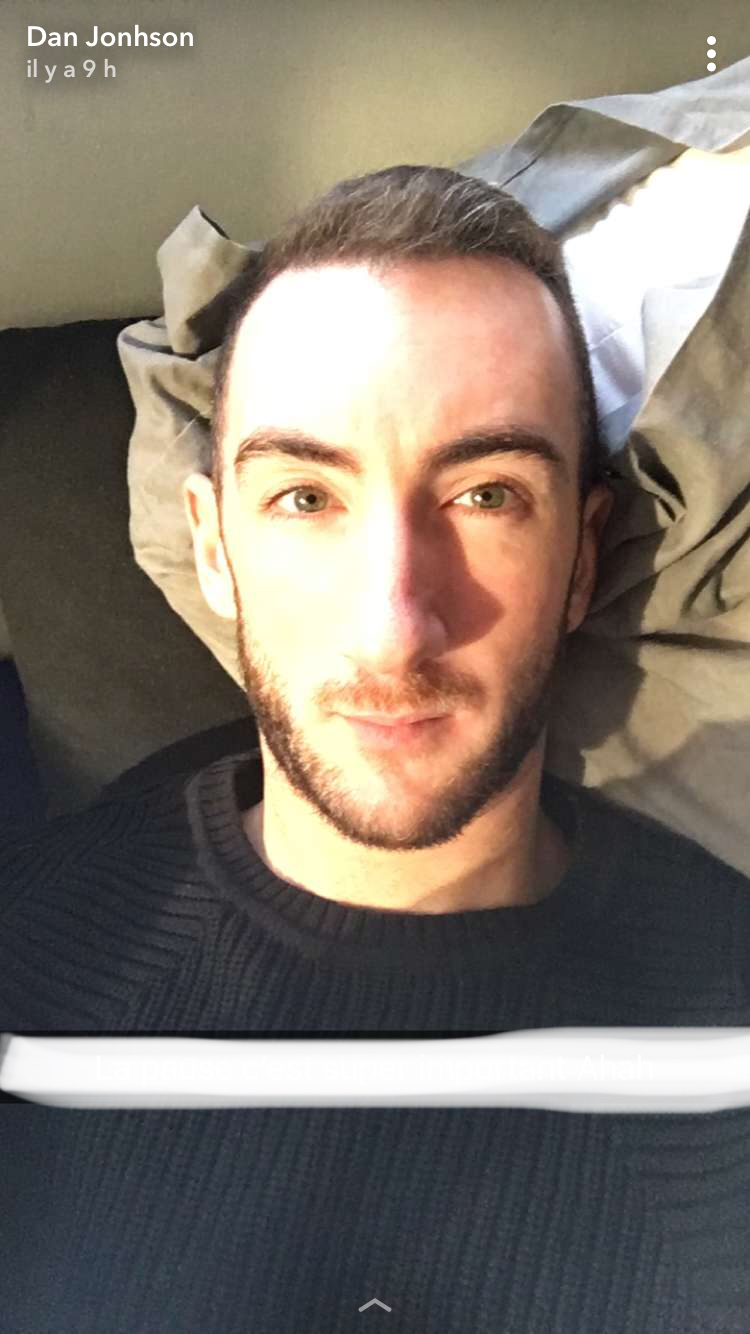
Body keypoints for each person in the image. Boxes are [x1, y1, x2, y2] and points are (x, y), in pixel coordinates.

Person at [2, 163, 750, 1333]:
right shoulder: (30, 954)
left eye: (486, 494)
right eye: (306, 497)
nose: (395, 626)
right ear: (213, 548)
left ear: (582, 559)